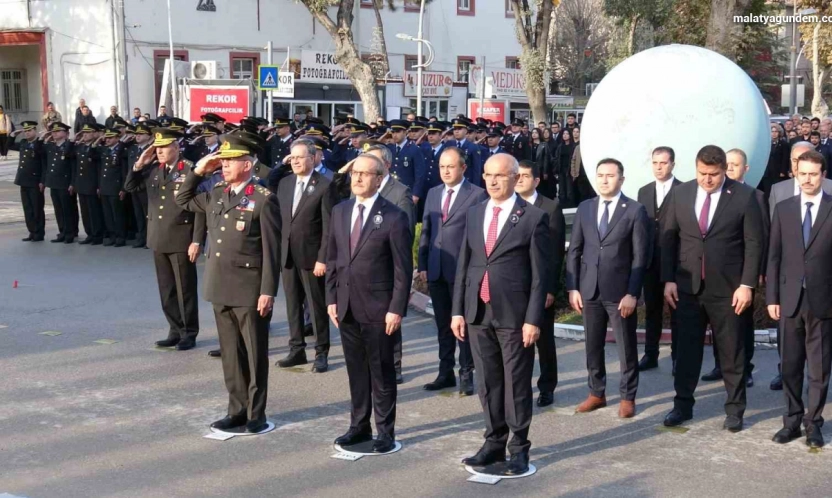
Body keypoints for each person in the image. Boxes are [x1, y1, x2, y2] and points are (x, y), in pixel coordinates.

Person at [452, 153, 551, 475]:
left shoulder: (532, 217)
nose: (493, 181)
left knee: (516, 384)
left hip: (514, 315)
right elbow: (464, 266)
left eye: (500, 176)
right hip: (478, 312)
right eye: (488, 175)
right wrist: (457, 311)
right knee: (488, 383)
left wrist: (533, 319)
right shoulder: (474, 213)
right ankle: (493, 443)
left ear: (514, 178)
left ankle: (519, 448)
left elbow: (541, 276)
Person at [177, 133, 281, 434]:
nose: (223, 165)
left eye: (230, 161)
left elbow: (272, 251)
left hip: (249, 289)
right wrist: (198, 170)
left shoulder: (263, 200)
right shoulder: (217, 193)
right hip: (219, 285)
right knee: (231, 354)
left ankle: (256, 413)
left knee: (254, 352)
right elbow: (182, 199)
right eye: (222, 160)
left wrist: (267, 290)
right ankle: (236, 409)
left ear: (247, 165)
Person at [660, 145, 764, 432]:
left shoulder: (744, 197)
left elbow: (754, 244)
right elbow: (668, 239)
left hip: (729, 291)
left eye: (714, 174)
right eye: (702, 173)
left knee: (732, 353)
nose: (707, 180)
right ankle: (682, 406)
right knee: (686, 352)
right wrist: (668, 278)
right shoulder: (681, 194)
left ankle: (734, 410)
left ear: (724, 170)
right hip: (687, 288)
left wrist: (746, 285)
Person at [326, 154, 413, 454]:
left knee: (382, 371)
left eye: (366, 174)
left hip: (379, 308)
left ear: (379, 178)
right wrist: (331, 299)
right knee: (356, 371)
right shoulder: (340, 210)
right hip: (346, 305)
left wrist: (396, 308)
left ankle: (385, 431)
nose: (359, 179)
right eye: (355, 173)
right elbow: (333, 257)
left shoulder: (393, 216)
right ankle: (358, 426)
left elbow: (403, 268)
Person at [567, 158, 649, 418]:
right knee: (592, 345)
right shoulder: (585, 208)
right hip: (588, 289)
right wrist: (573, 287)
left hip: (620, 292)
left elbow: (640, 257)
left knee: (626, 347)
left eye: (610, 176)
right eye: (600, 175)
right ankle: (596, 392)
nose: (604, 180)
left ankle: (627, 396)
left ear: (621, 180)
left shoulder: (634, 211)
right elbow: (575, 250)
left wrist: (632, 293)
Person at [767, 149, 832, 449]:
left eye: (813, 174)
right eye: (803, 173)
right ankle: (791, 422)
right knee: (790, 366)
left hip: (823, 301)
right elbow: (774, 257)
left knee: (818, 369)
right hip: (789, 299)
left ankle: (813, 424)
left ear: (823, 175)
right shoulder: (784, 209)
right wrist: (771, 297)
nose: (808, 179)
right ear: (795, 173)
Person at [126, 128, 205, 350]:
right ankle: (174, 329)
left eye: (164, 147)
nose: (159, 152)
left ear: (176, 147)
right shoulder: (153, 170)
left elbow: (199, 208)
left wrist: (197, 240)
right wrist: (139, 164)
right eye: (157, 148)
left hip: (182, 238)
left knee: (185, 288)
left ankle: (189, 332)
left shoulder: (190, 169)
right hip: (158, 236)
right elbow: (130, 186)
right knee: (167, 288)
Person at [418, 147, 488, 396]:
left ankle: (466, 373)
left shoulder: (478, 195)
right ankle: (444, 371)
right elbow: (427, 229)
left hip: (463, 273)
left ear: (463, 168)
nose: (445, 171)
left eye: (451, 166)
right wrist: (423, 264)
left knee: (463, 325)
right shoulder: (433, 193)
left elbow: (479, 238)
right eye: (442, 167)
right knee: (443, 325)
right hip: (436, 269)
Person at [699, 149, 769, 388]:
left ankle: (745, 368)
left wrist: (756, 272)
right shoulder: (710, 193)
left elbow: (759, 237)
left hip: (740, 277)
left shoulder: (754, 196)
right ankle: (720, 365)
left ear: (745, 169)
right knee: (719, 326)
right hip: (715, 278)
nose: (730, 169)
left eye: (735, 165)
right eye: (726, 164)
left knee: (741, 327)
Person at [274, 139, 333, 372]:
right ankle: (297, 349)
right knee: (292, 305)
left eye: (300, 157)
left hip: (312, 258)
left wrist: (323, 258)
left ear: (313, 157)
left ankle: (321, 351)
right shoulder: (285, 183)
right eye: (292, 157)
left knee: (316, 306)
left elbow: (329, 228)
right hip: (288, 255)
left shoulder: (324, 185)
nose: (295, 161)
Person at [516, 160, 565, 407]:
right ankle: (518, 386)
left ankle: (547, 386)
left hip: (540, 286)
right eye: (517, 175)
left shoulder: (550, 207)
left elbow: (555, 255)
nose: (519, 180)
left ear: (536, 181)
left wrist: (549, 289)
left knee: (543, 341)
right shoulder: (508, 204)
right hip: (514, 286)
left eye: (525, 176)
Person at [637, 147, 682, 372]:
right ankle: (650, 354)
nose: (658, 167)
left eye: (663, 163)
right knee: (652, 310)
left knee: (677, 311)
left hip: (676, 261)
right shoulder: (643, 191)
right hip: (650, 261)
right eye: (655, 162)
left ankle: (677, 356)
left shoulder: (684, 190)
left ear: (672, 164)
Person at [9, 121, 46, 241]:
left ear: (35, 130)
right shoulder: (24, 143)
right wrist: (13, 135)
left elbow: (43, 164)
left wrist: (42, 180)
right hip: (23, 180)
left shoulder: (39, 144)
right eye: (25, 131)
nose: (27, 133)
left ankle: (39, 233)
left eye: (29, 130)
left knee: (37, 207)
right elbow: (9, 146)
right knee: (28, 208)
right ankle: (32, 231)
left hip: (35, 181)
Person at [42, 122, 79, 243]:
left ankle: (70, 232)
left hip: (65, 182)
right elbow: (39, 152)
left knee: (68, 209)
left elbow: (74, 167)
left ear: (66, 133)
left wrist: (73, 183)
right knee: (58, 209)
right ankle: (62, 231)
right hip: (54, 182)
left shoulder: (70, 146)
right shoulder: (51, 146)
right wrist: (43, 136)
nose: (54, 133)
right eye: (53, 131)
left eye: (58, 131)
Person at [72, 124, 105, 245]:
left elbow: (98, 167)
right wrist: (75, 139)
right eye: (83, 133)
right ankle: (89, 233)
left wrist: (95, 143)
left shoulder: (98, 148)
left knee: (94, 210)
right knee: (85, 211)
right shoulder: (80, 147)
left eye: (88, 132)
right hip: (81, 183)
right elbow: (71, 159)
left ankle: (97, 234)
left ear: (94, 133)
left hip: (92, 183)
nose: (84, 135)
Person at [95, 127, 127, 247]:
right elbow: (99, 167)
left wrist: (123, 188)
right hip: (104, 186)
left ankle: (120, 236)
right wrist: (98, 141)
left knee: (117, 213)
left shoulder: (121, 151)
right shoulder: (104, 150)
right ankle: (112, 235)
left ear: (117, 138)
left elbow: (124, 171)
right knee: (108, 213)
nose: (107, 140)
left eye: (110, 138)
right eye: (106, 137)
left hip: (116, 186)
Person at [125, 123, 153, 248]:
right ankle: (141, 237)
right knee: (138, 214)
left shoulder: (152, 150)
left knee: (148, 214)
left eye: (141, 134)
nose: (138, 136)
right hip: (134, 186)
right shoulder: (133, 149)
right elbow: (130, 168)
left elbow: (151, 169)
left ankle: (149, 238)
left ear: (149, 136)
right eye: (136, 134)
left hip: (146, 186)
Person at [387, 120, 428, 204]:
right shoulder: (390, 149)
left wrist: (416, 193)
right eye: (393, 132)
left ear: (405, 132)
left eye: (398, 132)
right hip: (391, 190)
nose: (395, 135)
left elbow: (420, 174)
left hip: (407, 191)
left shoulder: (414, 149)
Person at [556, 129, 576, 207]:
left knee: (569, 189)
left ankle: (570, 204)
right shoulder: (560, 146)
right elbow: (557, 158)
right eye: (564, 134)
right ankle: (562, 203)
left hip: (569, 170)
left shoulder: (573, 146)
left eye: (567, 134)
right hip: (561, 170)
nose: (565, 135)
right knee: (561, 188)